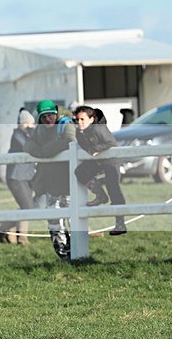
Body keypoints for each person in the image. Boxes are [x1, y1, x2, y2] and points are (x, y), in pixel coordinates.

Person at [24, 99, 76, 260]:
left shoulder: (66, 124)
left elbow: (69, 140)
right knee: (54, 223)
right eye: (44, 117)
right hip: (50, 183)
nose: (48, 120)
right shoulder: (39, 130)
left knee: (75, 221)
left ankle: (79, 255)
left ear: (56, 114)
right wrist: (39, 151)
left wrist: (45, 151)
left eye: (51, 116)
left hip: (70, 181)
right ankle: (65, 258)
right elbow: (28, 145)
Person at [73, 105, 128, 236]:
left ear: (91, 119)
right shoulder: (79, 132)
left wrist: (96, 148)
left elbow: (111, 143)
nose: (79, 123)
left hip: (111, 160)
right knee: (80, 172)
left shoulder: (99, 128)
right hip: (98, 160)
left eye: (82, 119)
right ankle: (100, 195)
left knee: (113, 188)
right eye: (77, 120)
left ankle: (120, 223)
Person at [0, 108, 35, 245]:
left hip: (27, 176)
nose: (30, 126)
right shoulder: (17, 135)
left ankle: (3, 228)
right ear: (20, 124)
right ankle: (21, 237)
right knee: (27, 207)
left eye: (32, 123)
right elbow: (28, 146)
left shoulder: (27, 134)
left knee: (28, 207)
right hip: (16, 177)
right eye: (27, 123)